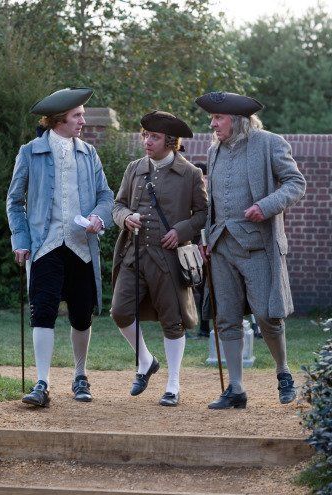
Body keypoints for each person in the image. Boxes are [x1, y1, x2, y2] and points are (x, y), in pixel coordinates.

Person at [195, 91, 306, 409]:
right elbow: (213, 203)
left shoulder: (269, 143)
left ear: (238, 120)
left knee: (267, 316)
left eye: (218, 118)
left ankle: (283, 372)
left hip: (258, 247)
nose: (213, 124)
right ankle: (236, 389)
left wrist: (267, 205)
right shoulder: (214, 149)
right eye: (212, 119)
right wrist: (205, 237)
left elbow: (295, 183)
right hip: (221, 246)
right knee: (225, 320)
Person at [6, 87, 113, 407]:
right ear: (59, 119)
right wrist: (21, 241)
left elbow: (106, 197)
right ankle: (41, 382)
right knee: (43, 311)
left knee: (82, 315)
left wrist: (98, 217)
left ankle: (80, 375)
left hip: (81, 246)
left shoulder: (89, 153)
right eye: (78, 115)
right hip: (45, 246)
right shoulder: (30, 152)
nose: (83, 120)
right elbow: (14, 202)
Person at [111, 111, 208, 406]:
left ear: (170, 141)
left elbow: (203, 214)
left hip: (168, 260)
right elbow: (118, 205)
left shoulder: (190, 174)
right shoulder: (134, 168)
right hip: (134, 255)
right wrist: (126, 217)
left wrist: (181, 231)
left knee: (173, 322)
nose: (146, 141)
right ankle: (146, 361)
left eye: (153, 137)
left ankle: (173, 384)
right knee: (119, 311)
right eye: (144, 135)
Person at [186, 161, 210, 339]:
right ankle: (188, 326)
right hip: (190, 245)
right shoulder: (188, 195)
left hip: (208, 246)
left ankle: (204, 326)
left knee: (206, 288)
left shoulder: (211, 196)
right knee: (191, 286)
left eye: (204, 177)